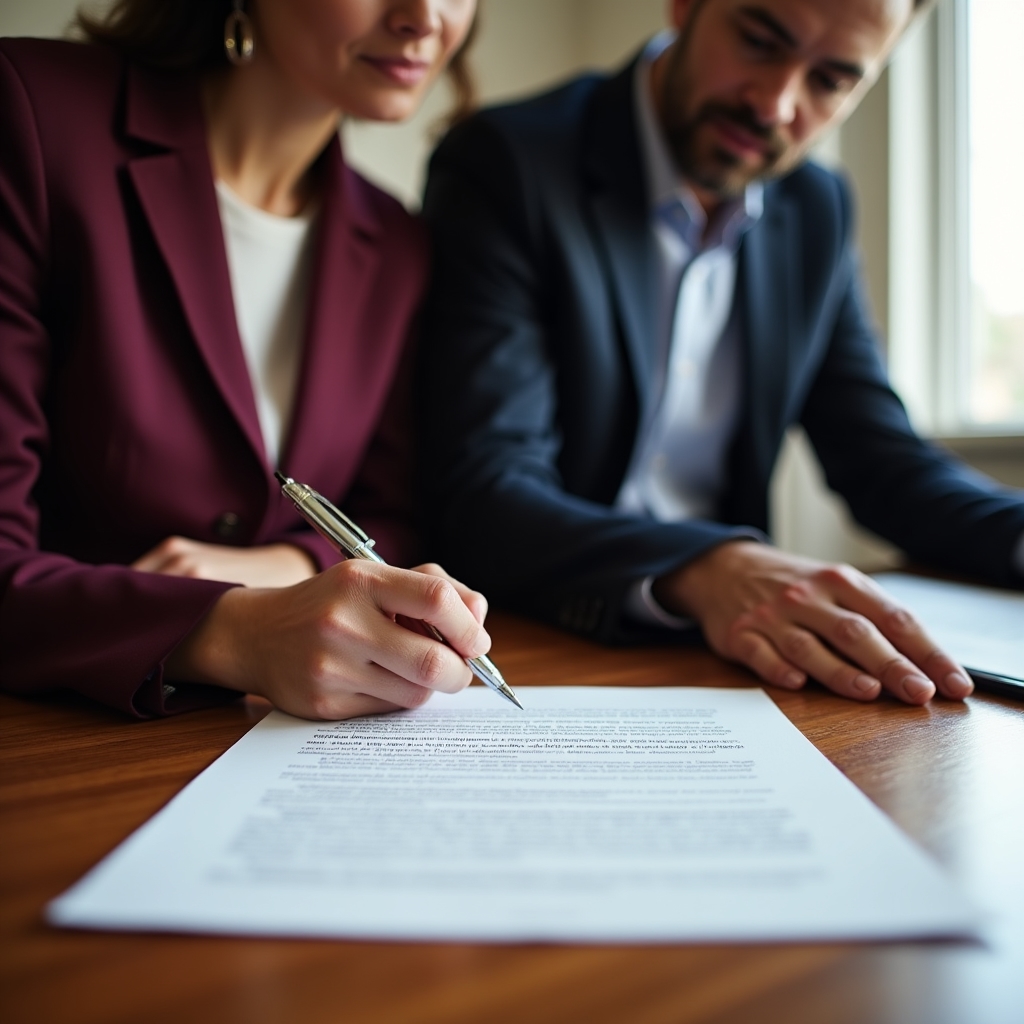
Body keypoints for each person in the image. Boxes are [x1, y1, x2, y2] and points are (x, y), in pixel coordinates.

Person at [419, 0, 1024, 706]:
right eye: (760, 41)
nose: (774, 104)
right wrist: (703, 567)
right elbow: (483, 490)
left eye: (829, 80)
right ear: (685, 6)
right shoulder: (506, 162)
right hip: (539, 650)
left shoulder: (817, 206)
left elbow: (881, 460)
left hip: (739, 665)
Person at [0, 0, 490, 722]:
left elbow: (391, 515)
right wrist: (233, 629)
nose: (424, 17)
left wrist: (287, 566)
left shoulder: (396, 243)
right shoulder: (32, 115)